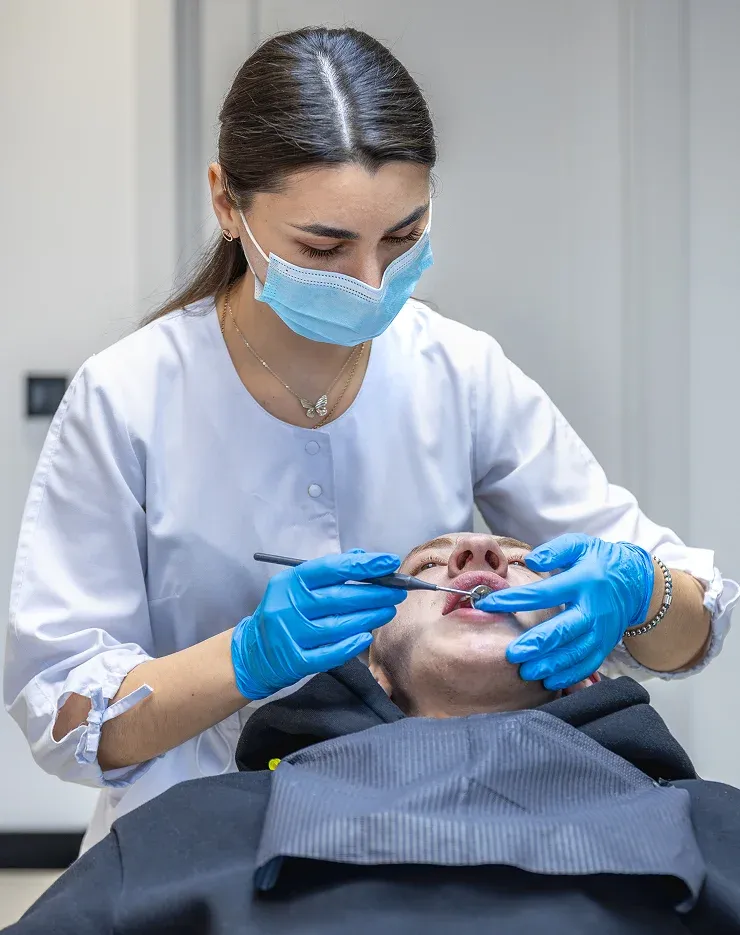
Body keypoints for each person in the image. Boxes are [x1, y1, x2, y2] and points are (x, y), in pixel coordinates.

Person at [4, 26, 738, 852]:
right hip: (197, 849)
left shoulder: (457, 372)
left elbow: (693, 625)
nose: (371, 281)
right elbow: (67, 716)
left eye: (403, 235)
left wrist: (641, 592)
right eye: (324, 247)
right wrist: (243, 658)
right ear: (225, 201)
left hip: (435, 834)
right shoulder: (126, 399)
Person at [5, 532, 740, 935]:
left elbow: (693, 606)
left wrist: (654, 589)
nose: (477, 560)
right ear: (373, 664)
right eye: (428, 564)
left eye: (520, 562)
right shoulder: (196, 827)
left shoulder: (711, 823)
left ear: (587, 671)